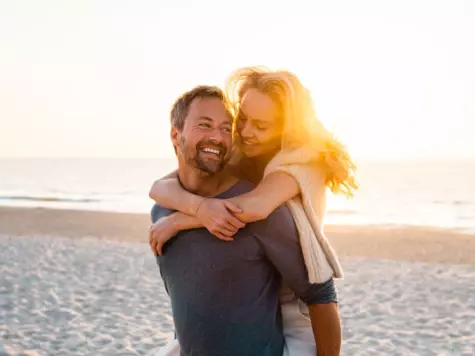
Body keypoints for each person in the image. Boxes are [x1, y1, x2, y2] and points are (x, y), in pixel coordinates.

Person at [151, 85, 340, 356]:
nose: (245, 132)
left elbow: (321, 295)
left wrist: (182, 220)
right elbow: (158, 187)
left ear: (285, 132)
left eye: (225, 127)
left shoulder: (288, 179)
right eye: (241, 122)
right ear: (175, 134)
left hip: (290, 325)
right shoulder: (163, 210)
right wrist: (192, 210)